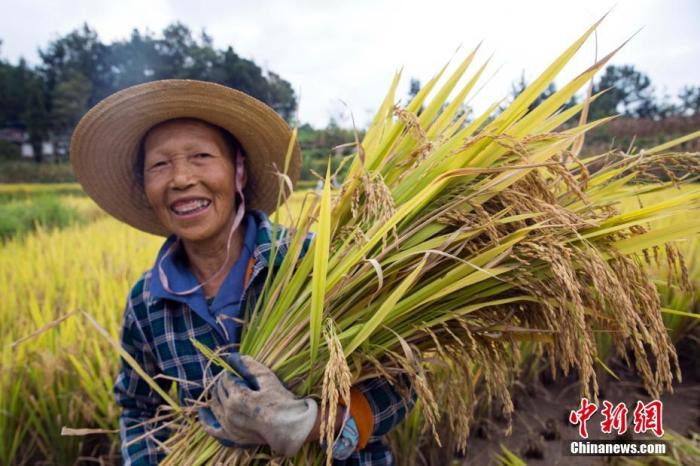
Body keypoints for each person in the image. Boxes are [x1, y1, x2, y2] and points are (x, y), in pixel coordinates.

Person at [70, 79, 415, 466]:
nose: (181, 179)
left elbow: (401, 379)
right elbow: (138, 407)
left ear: (239, 172)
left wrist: (312, 423)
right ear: (146, 187)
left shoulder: (312, 263)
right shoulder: (147, 301)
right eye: (160, 165)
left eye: (200, 156)